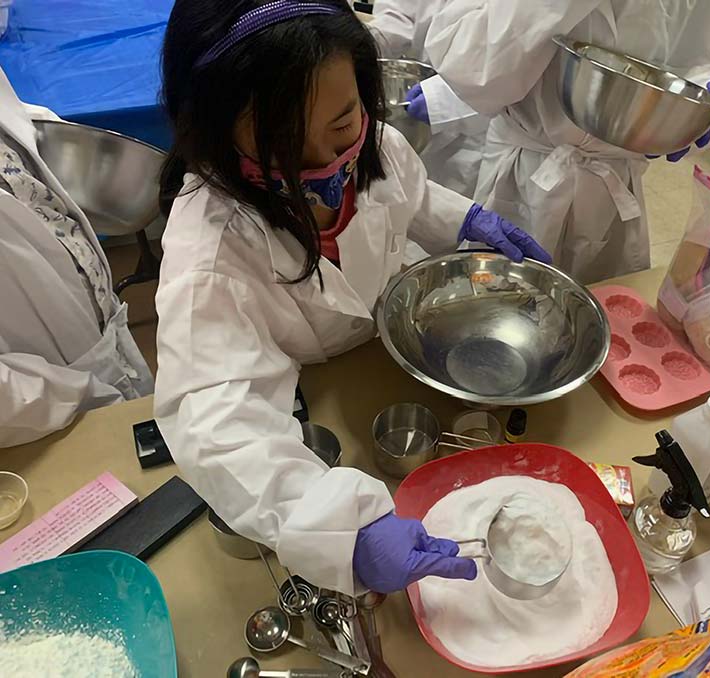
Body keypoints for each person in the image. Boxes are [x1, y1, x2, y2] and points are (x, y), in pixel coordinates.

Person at [154, 0, 550, 596]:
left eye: (343, 125)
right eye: (284, 146)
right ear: (215, 129)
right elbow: (217, 417)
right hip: (306, 382)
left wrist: (465, 218)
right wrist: (338, 527)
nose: (327, 165)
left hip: (377, 359)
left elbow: (407, 195)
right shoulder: (210, 246)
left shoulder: (378, 146)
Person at [425, 0, 710, 283]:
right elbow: (472, 74)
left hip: (613, 181)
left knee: (597, 310)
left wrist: (702, 103)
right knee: (494, 304)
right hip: (518, 172)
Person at [0, 67, 153, 448]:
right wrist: (82, 392)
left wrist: (44, 136)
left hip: (99, 345)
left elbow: (12, 115)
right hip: (42, 419)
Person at [367, 0, 489, 198]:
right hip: (419, 127)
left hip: (476, 135)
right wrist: (363, 43)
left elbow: (510, 63)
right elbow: (400, 14)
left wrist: (447, 98)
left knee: (459, 210)